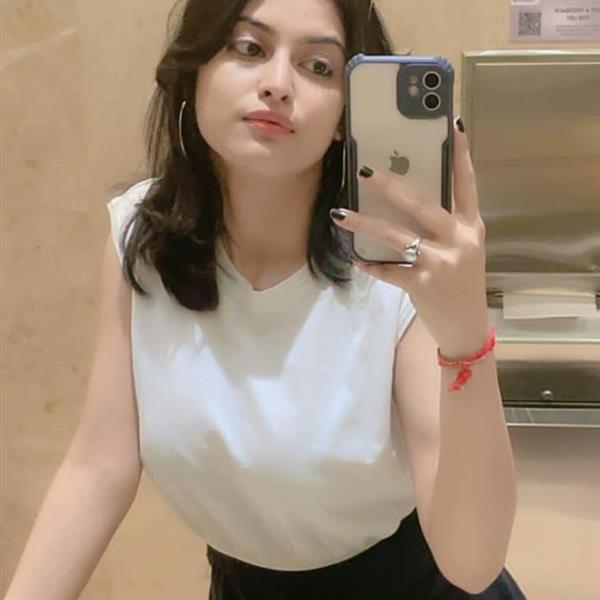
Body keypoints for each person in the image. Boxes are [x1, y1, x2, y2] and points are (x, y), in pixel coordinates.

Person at [5, 0, 529, 598]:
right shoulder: (141, 237)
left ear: (346, 117)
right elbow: (99, 468)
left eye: (318, 67)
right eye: (249, 48)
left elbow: (471, 563)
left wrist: (465, 338)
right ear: (196, 70)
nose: (278, 84)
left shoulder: (395, 269)